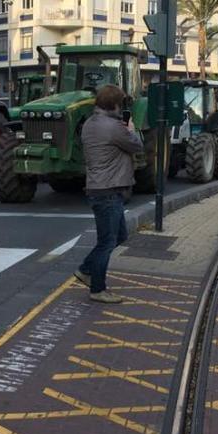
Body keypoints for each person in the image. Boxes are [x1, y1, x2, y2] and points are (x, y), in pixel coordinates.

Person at [74, 84, 143, 303]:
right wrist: (130, 128)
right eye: (120, 103)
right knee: (106, 241)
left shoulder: (89, 124)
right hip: (108, 191)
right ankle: (97, 289)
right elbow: (137, 146)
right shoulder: (114, 128)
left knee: (119, 236)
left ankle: (86, 269)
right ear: (114, 104)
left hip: (99, 188)